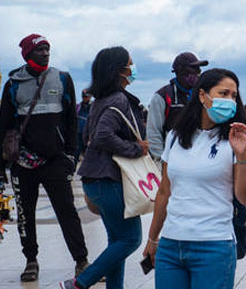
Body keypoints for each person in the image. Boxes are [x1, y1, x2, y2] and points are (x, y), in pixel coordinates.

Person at [142, 68, 246, 289]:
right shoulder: (175, 137)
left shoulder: (237, 138)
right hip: (171, 246)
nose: (230, 101)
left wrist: (242, 155)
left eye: (234, 96)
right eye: (223, 93)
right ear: (202, 95)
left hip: (214, 246)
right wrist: (152, 238)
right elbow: (165, 191)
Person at [0, 34, 88, 282]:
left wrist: (71, 154)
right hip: (23, 162)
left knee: (67, 212)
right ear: (27, 55)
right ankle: (31, 260)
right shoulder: (13, 84)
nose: (46, 53)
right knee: (25, 215)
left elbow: (71, 119)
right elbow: (4, 124)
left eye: (48, 49)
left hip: (56, 160)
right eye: (40, 49)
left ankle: (81, 260)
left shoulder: (62, 79)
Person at [60, 46, 146, 289]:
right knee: (131, 239)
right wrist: (136, 148)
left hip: (95, 178)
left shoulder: (100, 101)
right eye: (130, 63)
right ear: (120, 71)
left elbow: (88, 134)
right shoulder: (118, 99)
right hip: (108, 179)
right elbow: (101, 136)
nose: (133, 68)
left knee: (116, 240)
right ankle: (81, 283)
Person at [148, 52, 208, 162]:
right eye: (194, 70)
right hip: (171, 159)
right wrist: (161, 159)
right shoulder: (162, 96)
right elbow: (153, 131)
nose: (198, 73)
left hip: (199, 157)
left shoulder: (202, 94)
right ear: (180, 72)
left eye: (199, 70)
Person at [75, 89, 93, 164]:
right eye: (84, 97)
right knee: (76, 151)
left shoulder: (93, 107)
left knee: (88, 154)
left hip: (88, 134)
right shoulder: (78, 107)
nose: (85, 98)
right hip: (78, 132)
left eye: (87, 97)